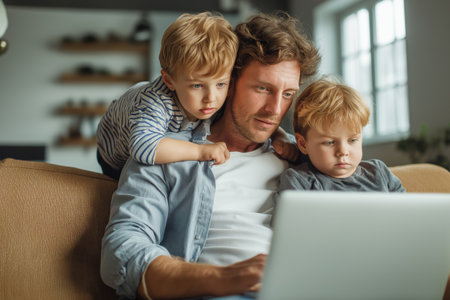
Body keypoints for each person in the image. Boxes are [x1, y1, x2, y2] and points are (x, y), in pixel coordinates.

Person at [100, 11, 321, 300]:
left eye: (288, 93)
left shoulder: (305, 155)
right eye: (263, 89)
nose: (275, 109)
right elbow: (122, 249)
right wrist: (224, 278)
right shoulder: (165, 155)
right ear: (228, 82)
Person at [96, 12, 238, 180]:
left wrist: (276, 136)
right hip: (115, 154)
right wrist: (200, 151)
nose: (211, 98)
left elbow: (244, 118)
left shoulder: (213, 97)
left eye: (221, 84)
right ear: (169, 81)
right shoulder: (155, 102)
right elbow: (143, 146)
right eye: (197, 85)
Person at [278, 78, 405, 192]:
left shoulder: (379, 172)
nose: (343, 151)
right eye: (329, 142)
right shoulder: (299, 182)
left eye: (352, 140)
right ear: (302, 143)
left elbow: (407, 212)